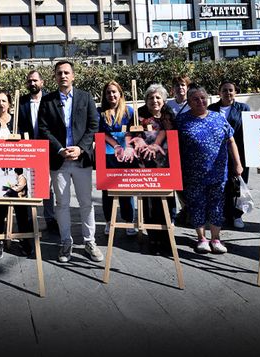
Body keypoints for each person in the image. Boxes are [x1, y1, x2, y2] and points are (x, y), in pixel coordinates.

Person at [37, 60, 103, 263]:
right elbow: (43, 128)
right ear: (55, 77)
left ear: (73, 76)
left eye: (66, 72)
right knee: (62, 204)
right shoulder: (47, 101)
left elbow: (94, 125)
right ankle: (66, 242)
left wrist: (81, 148)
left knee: (86, 203)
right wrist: (60, 149)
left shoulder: (85, 97)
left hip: (82, 160)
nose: (63, 76)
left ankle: (89, 241)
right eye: (59, 73)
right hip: (59, 161)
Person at [177, 84, 243, 254]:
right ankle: (201, 239)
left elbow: (231, 141)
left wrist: (237, 163)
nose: (200, 101)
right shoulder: (181, 120)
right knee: (196, 205)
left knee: (217, 206)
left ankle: (216, 238)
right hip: (192, 173)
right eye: (195, 99)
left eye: (203, 98)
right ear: (189, 102)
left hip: (218, 172)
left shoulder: (218, 118)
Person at [0, 89, 33, 258]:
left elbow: (29, 144)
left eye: (3, 100)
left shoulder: (20, 122)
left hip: (19, 173)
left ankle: (26, 240)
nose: (0, 104)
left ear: (9, 104)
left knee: (22, 210)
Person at [134, 83, 177, 253]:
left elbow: (174, 136)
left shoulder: (169, 115)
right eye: (151, 97)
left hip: (166, 166)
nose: (154, 100)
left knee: (166, 200)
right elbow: (132, 135)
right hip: (146, 166)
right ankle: (152, 237)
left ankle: (166, 237)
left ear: (164, 100)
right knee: (149, 202)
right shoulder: (139, 115)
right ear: (146, 100)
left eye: (158, 97)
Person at [18, 70, 57, 232]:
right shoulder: (21, 102)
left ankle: (50, 218)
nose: (32, 83)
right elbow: (18, 124)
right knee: (27, 185)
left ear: (42, 82)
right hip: (28, 150)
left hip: (47, 149)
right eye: (29, 81)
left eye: (35, 80)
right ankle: (30, 219)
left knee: (47, 186)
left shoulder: (51, 100)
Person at [208, 81, 251, 229]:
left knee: (238, 184)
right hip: (218, 154)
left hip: (239, 152)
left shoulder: (243, 108)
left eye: (231, 90)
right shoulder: (212, 109)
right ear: (219, 92)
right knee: (221, 185)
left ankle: (237, 215)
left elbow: (249, 130)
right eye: (224, 90)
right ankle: (224, 214)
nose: (228, 93)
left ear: (235, 92)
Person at [98, 80, 137, 237]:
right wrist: (116, 146)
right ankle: (109, 221)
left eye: (114, 91)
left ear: (120, 93)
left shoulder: (129, 111)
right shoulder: (100, 112)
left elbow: (133, 131)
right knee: (108, 190)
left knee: (126, 189)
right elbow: (101, 133)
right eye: (108, 92)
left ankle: (129, 221)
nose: (111, 95)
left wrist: (126, 147)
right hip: (106, 154)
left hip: (126, 153)